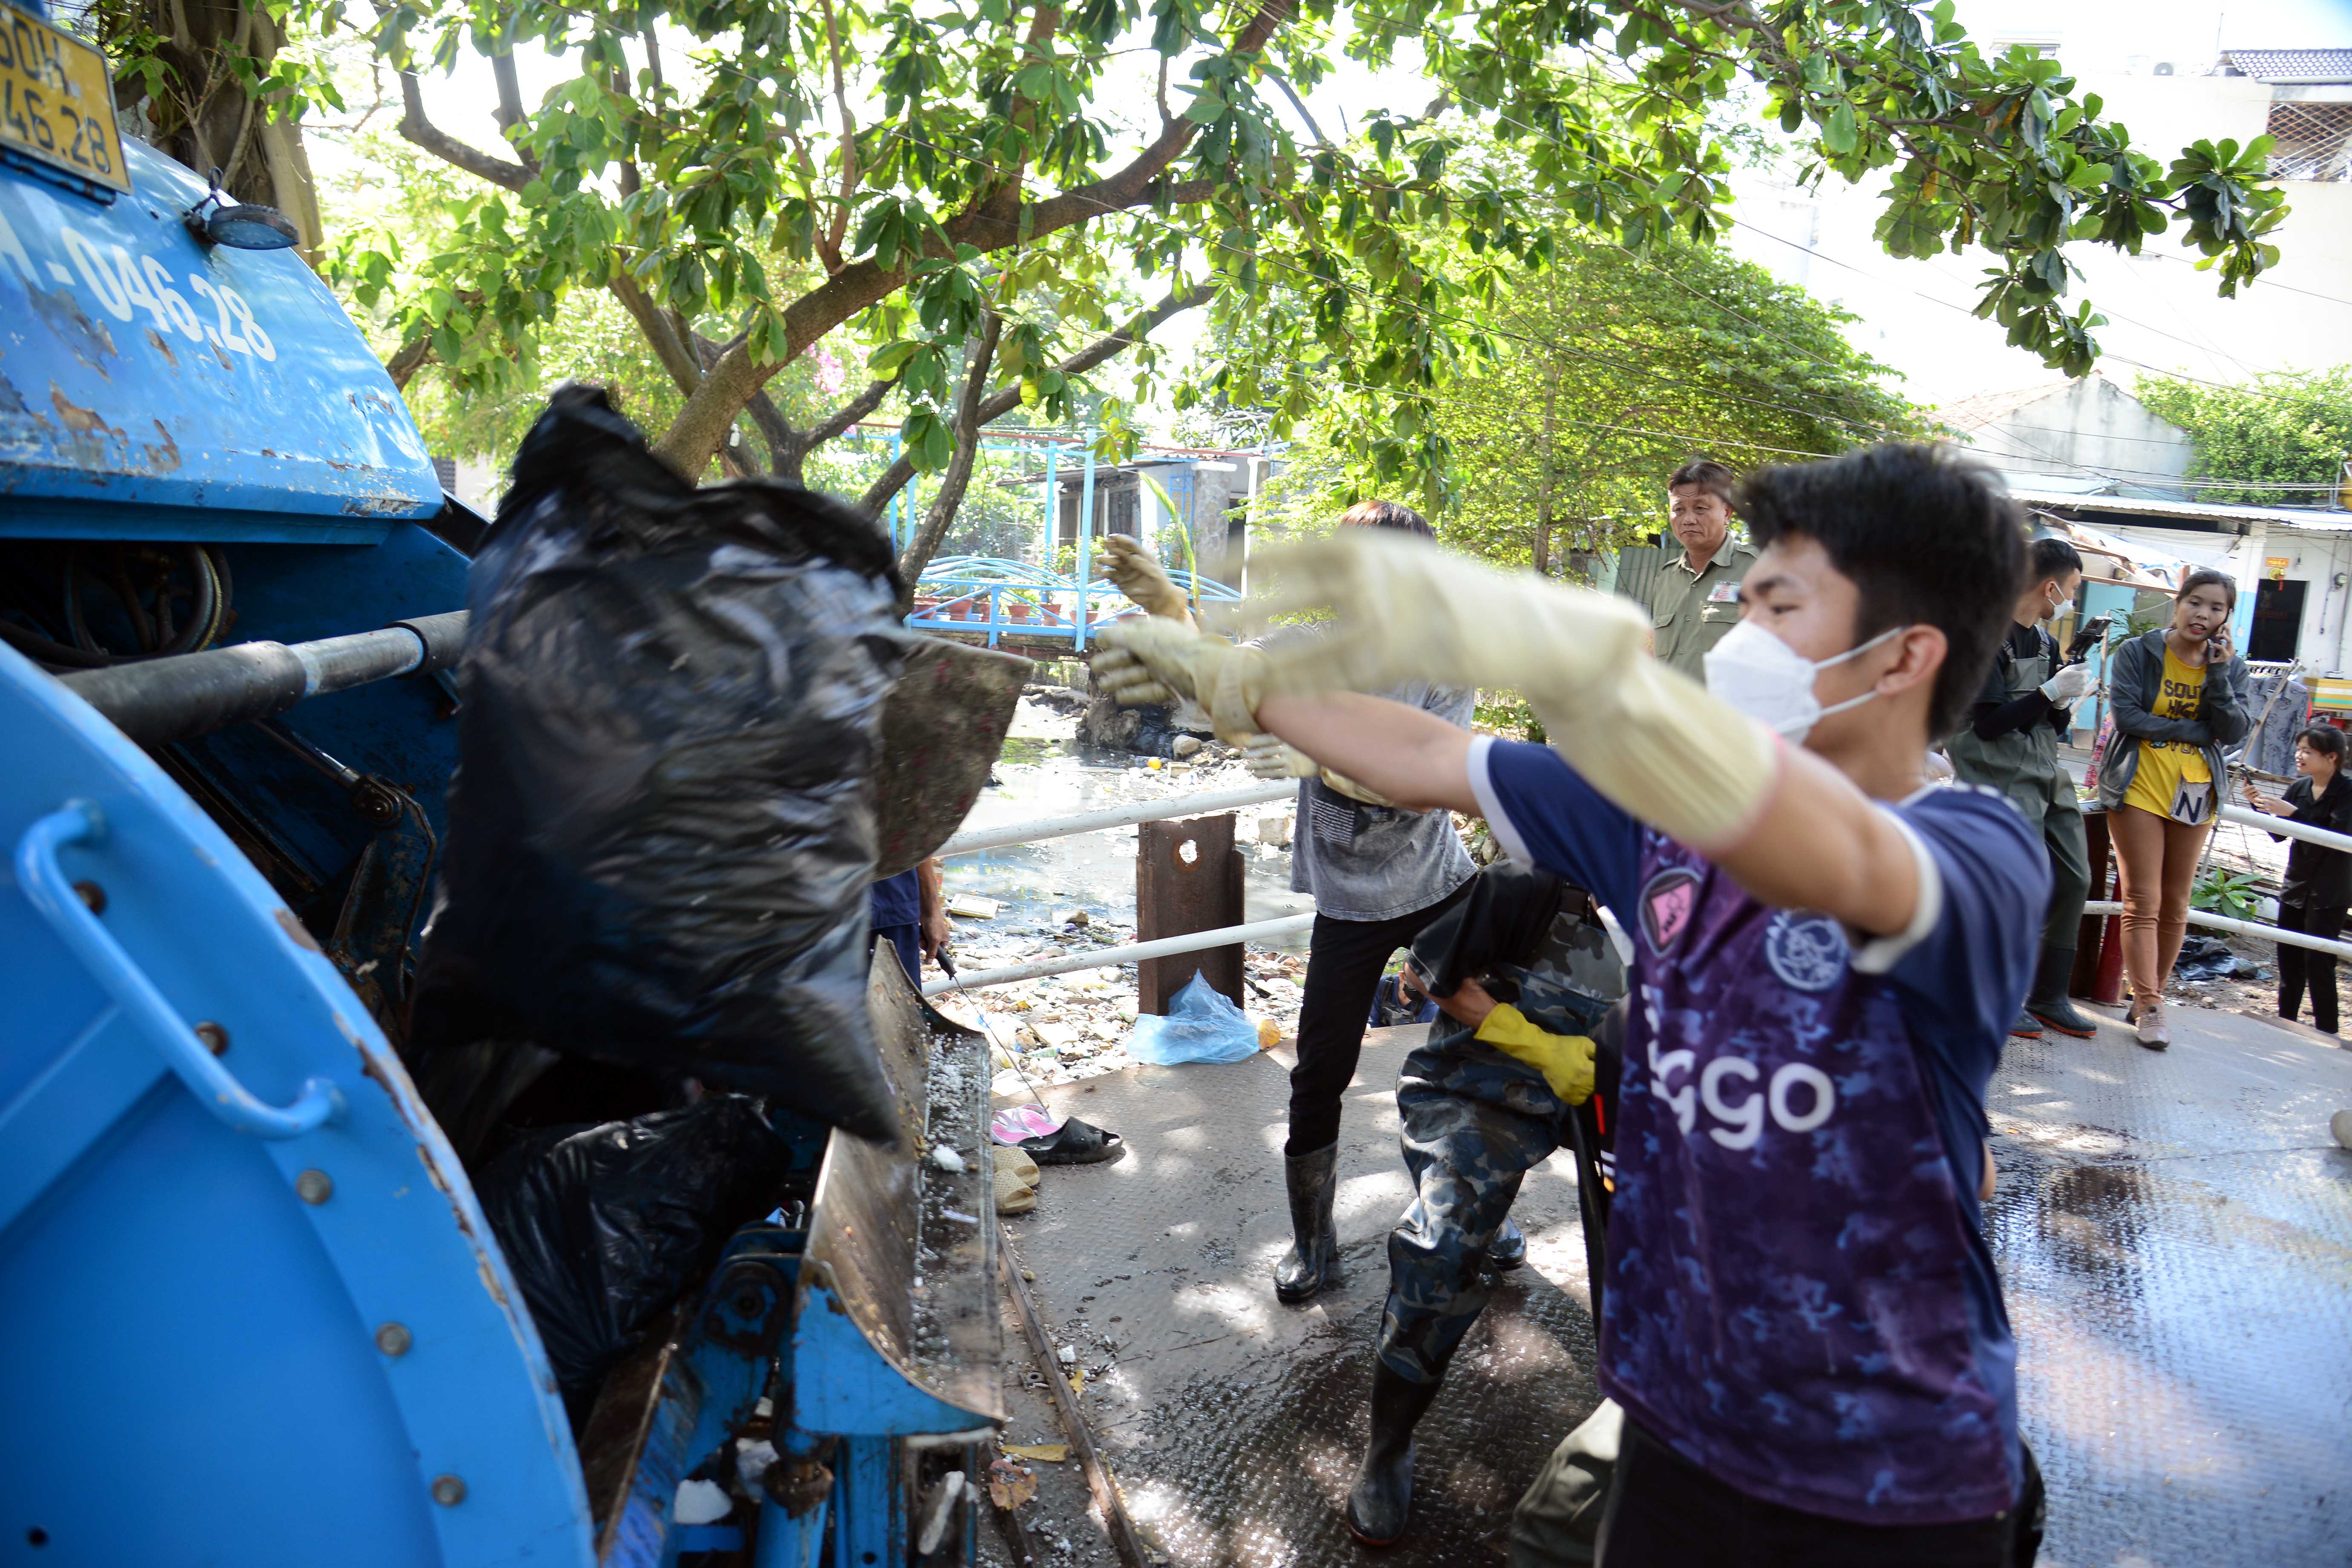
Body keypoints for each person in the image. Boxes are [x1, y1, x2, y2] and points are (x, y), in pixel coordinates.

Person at [1091, 444, 2048, 1564]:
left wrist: (1603, 683)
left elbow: (1832, 857)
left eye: (1781, 599)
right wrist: (1238, 677)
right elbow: (1428, 750)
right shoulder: (1663, 823)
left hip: (1889, 1481)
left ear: (1904, 658)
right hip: (1677, 1429)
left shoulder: (1978, 854)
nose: (1738, 613)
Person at [1101, 504, 1485, 1303]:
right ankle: (1314, 1244)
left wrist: (1309, 735)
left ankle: (1476, 1209)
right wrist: (1172, 618)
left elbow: (1423, 778)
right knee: (1319, 1073)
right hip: (1348, 898)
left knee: (1475, 1056)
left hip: (1437, 886)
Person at [1338, 864, 1619, 1545]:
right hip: (1483, 1088)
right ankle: (1389, 1443)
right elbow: (1427, 978)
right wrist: (1538, 1046)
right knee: (1441, 1244)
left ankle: (1635, 1446)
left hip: (1625, 1098)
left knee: (1660, 1276)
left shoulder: (1715, 895)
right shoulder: (1531, 885)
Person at [2093, 569, 2252, 1049]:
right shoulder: (2138, 652)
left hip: (2196, 790)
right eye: (2195, 603)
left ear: (2227, 616)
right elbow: (2129, 718)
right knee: (2143, 899)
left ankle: (2147, 998)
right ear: (2177, 602)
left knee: (2177, 901)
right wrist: (2199, 732)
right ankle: (2152, 1004)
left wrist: (2219, 674)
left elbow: (2236, 728)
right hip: (2138, 782)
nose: (2203, 615)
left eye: (2216, 608)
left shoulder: (2231, 665)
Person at [1946, 536, 2098, 1039]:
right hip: (1997, 772)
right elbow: (1989, 724)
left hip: (2045, 770)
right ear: (2050, 586)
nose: (2071, 601)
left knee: (2076, 876)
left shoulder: (2047, 641)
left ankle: (2050, 994)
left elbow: (2048, 725)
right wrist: (2049, 691)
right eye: (2072, 590)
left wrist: (2065, 697)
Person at [2245, 725, 2352, 1034]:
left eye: (2307, 751)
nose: (2299, 755)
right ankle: (2286, 1027)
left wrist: (2294, 814)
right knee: (2289, 964)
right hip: (2295, 887)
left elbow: (2338, 839)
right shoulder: (2300, 788)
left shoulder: (2347, 793)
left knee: (2320, 966)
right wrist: (2259, 806)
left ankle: (2327, 1033)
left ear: (2331, 757)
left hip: (2330, 892)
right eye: (2299, 749)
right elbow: (2279, 835)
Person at [1647, 458, 1759, 681]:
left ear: (1727, 513)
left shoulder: (1759, 569)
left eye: (1700, 508)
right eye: (1679, 510)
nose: (1688, 520)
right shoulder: (1666, 578)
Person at [869, 858, 948, 983]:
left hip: (891, 900)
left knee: (899, 994)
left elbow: (921, 840)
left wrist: (931, 911)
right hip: (833, 907)